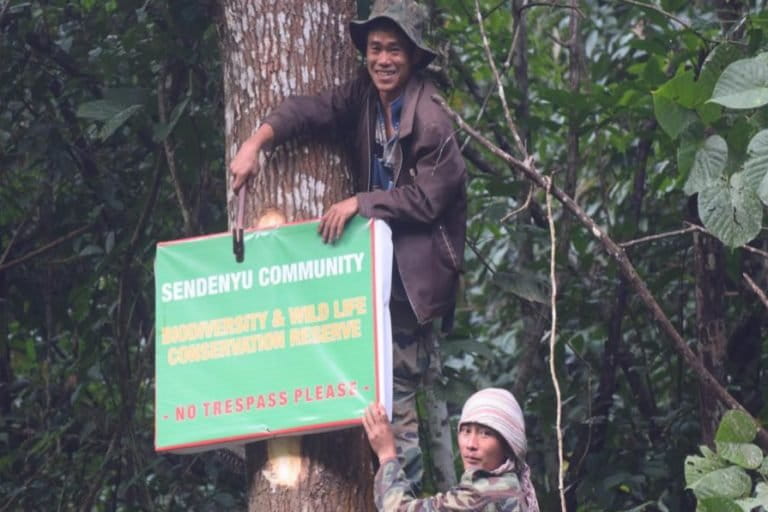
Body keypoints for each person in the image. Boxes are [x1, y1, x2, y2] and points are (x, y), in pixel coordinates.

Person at [229, 0, 467, 492]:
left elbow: (427, 200)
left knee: (396, 401)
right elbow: (310, 110)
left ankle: (404, 498)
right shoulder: (364, 96)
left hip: (411, 285)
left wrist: (361, 202)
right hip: (371, 269)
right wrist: (257, 143)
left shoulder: (433, 121)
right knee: (368, 394)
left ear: (414, 58)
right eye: (376, 49)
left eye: (394, 50)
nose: (383, 59)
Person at [362, 388, 540, 512]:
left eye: (485, 434)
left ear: (508, 446)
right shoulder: (513, 486)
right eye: (465, 431)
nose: (471, 444)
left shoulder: (486, 494)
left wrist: (386, 455)